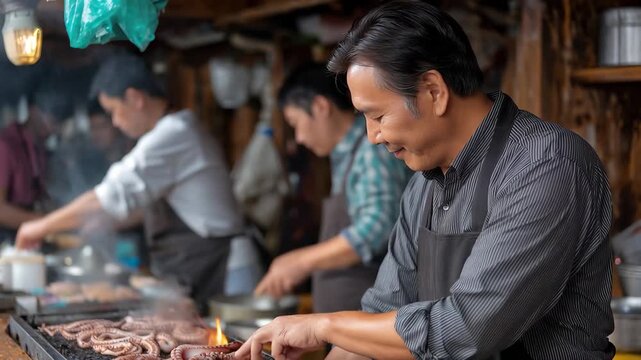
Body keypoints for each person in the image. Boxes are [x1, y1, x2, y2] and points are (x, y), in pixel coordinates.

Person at [235, 1, 614, 359]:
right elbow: (381, 312)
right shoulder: (423, 185)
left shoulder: (546, 165)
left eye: (377, 116)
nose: (372, 136)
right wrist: (338, 338)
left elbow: (467, 328)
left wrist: (326, 325)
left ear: (434, 91)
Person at [16, 54, 246, 313]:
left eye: (114, 110)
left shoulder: (173, 133)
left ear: (135, 98)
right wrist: (101, 223)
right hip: (204, 264)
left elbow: (108, 195)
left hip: (225, 271)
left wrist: (38, 228)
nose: (115, 121)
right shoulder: (176, 130)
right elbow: (136, 205)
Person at [254, 63, 411, 313]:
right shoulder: (344, 156)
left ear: (320, 107)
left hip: (370, 323)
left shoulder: (370, 150)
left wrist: (302, 262)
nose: (300, 138)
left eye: (295, 123)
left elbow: (378, 228)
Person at [0, 86, 70, 244]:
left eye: (59, 122)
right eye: (52, 119)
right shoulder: (6, 146)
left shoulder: (41, 149)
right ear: (33, 111)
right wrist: (47, 222)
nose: (54, 128)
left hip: (33, 233)